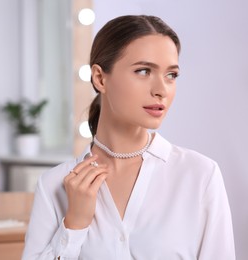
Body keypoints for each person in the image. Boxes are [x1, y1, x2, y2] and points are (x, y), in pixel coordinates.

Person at [22, 15, 235, 259]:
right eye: (143, 71)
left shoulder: (199, 175)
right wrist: (74, 226)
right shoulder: (54, 185)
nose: (161, 90)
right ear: (100, 78)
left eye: (171, 75)